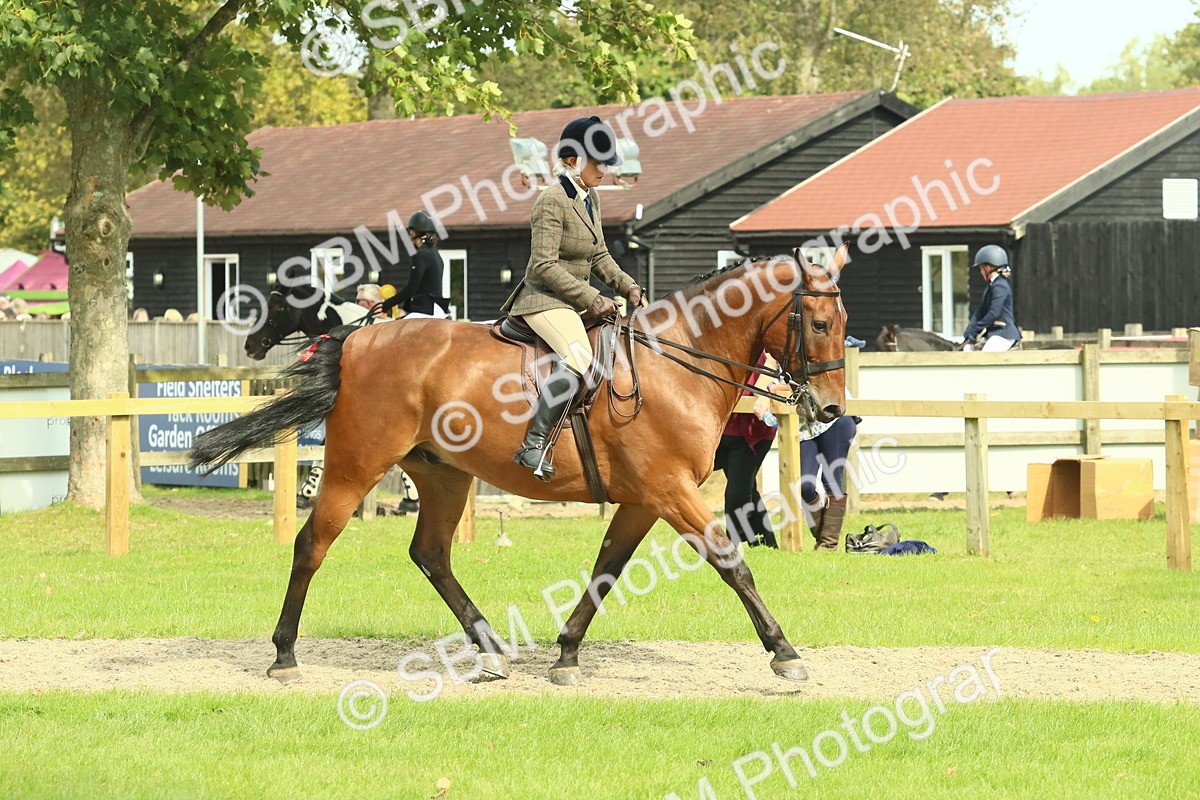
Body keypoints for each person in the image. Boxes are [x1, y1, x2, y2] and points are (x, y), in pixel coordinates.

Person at [500, 115, 645, 481]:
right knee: (579, 355)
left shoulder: (589, 197)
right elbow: (545, 265)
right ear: (572, 160)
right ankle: (533, 443)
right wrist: (593, 297)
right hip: (544, 300)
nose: (605, 171)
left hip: (571, 302)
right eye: (598, 163)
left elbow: (599, 255)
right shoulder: (550, 200)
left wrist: (627, 285)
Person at [714, 353, 781, 548]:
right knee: (747, 488)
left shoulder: (767, 346)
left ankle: (735, 543)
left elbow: (773, 366)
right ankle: (765, 542)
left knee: (737, 493)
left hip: (753, 434)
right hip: (724, 431)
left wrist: (762, 394)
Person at [381, 212, 449, 319]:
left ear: (413, 232)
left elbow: (411, 289)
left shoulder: (421, 254)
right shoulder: (435, 254)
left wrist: (387, 304)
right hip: (439, 309)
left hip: (426, 310)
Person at [963, 245, 1020, 352]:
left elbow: (994, 313)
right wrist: (970, 329)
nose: (980, 272)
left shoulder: (1000, 286)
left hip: (1003, 333)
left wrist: (976, 329)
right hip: (994, 333)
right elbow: (980, 312)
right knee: (968, 350)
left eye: (981, 269)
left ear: (988, 268)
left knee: (986, 356)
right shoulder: (991, 286)